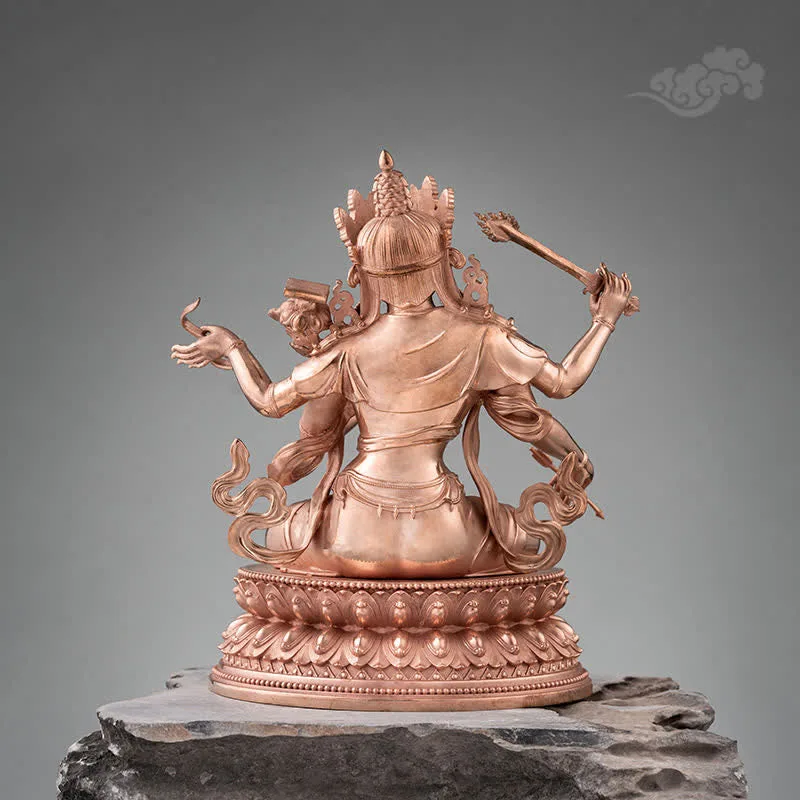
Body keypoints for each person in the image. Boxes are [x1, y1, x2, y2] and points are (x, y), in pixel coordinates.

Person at [171, 152, 632, 578]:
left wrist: (232, 347)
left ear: (362, 273)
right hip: (446, 534)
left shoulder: (346, 349)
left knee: (280, 538)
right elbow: (562, 384)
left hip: (350, 530)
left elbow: (269, 401)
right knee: (520, 543)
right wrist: (604, 320)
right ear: (444, 261)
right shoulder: (484, 338)